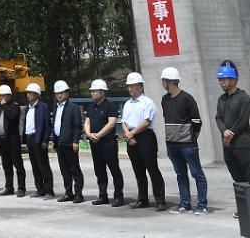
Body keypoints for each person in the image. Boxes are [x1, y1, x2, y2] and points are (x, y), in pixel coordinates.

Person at [160, 66, 206, 215]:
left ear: (169, 81)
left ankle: (202, 205)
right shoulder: (164, 100)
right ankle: (185, 203)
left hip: (188, 145)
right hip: (172, 144)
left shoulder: (187, 98)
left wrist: (192, 138)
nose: (162, 83)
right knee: (180, 174)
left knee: (196, 173)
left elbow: (197, 122)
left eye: (163, 80)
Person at [216, 60, 250, 219]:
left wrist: (230, 133)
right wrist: (224, 131)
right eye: (220, 79)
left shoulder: (244, 97)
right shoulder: (221, 99)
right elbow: (218, 118)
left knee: (249, 177)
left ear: (233, 80)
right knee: (238, 178)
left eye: (224, 79)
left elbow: (243, 120)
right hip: (228, 146)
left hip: (243, 144)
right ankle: (245, 209)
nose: (221, 82)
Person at [121, 72, 166, 211]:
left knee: (152, 169)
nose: (130, 89)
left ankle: (160, 200)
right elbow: (123, 121)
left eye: (132, 86)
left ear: (140, 86)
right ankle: (142, 199)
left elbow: (147, 122)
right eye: (128, 86)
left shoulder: (148, 102)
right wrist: (129, 135)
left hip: (145, 137)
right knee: (138, 171)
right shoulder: (127, 104)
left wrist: (131, 134)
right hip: (131, 136)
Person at [83, 79, 124, 207]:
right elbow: (87, 122)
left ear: (102, 92)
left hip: (107, 142)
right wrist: (89, 134)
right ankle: (103, 196)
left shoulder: (110, 105)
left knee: (114, 169)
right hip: (95, 143)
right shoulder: (91, 106)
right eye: (91, 91)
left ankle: (118, 196)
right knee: (99, 170)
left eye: (94, 91)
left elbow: (111, 123)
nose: (92, 94)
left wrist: (98, 135)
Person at [49, 81, 84, 203]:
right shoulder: (55, 107)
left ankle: (79, 194)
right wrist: (54, 140)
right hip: (60, 143)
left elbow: (78, 126)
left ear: (67, 94)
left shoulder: (73, 108)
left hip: (70, 143)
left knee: (75, 169)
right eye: (57, 93)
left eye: (61, 93)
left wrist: (75, 141)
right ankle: (68, 193)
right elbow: (55, 125)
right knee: (64, 170)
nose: (59, 95)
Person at [21, 82, 53, 198]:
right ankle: (40, 189)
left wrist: (45, 140)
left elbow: (47, 125)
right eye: (27, 93)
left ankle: (49, 190)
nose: (28, 95)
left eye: (30, 93)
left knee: (43, 165)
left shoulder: (43, 107)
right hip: (30, 139)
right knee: (35, 166)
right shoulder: (28, 108)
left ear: (36, 94)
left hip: (38, 139)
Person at [0, 85, 25, 197]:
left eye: (3, 95)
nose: (0, 97)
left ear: (9, 96)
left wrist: (5, 106)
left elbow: (12, 117)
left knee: (18, 165)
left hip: (13, 141)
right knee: (6, 166)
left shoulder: (14, 107)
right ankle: (9, 187)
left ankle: (21, 188)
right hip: (2, 142)